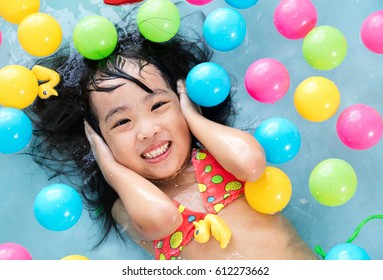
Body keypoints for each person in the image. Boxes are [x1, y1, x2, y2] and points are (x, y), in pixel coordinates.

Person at [26, 6, 318, 260]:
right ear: (101, 142)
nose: (147, 130)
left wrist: (193, 117)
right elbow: (161, 219)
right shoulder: (126, 206)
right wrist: (110, 167)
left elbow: (252, 165)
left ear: (181, 99)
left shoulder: (217, 155)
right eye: (121, 123)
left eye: (158, 105)